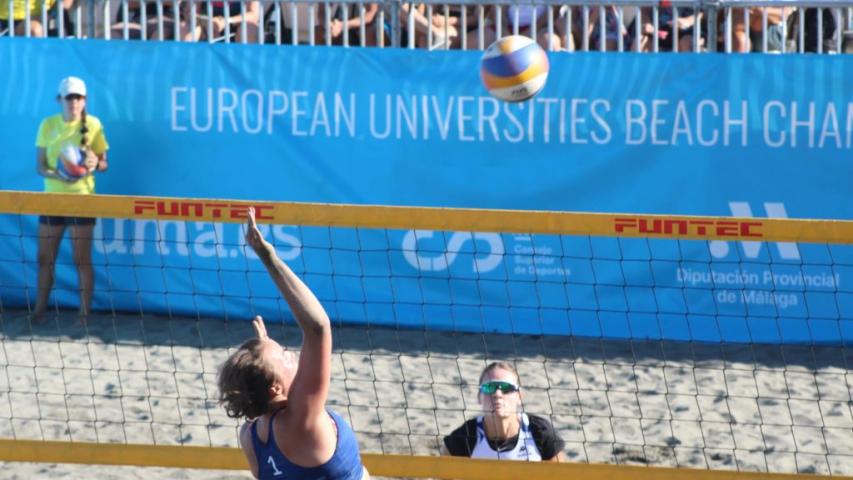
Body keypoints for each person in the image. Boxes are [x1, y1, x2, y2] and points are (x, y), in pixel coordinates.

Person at [218, 208, 369, 480]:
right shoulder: (302, 419)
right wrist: (268, 257)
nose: (290, 354)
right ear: (275, 387)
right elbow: (317, 328)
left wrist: (264, 354)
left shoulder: (250, 436)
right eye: (283, 355)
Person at [33, 76, 109, 325]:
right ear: (60, 100)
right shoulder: (48, 125)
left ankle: (83, 316)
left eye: (78, 97)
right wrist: (57, 174)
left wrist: (95, 163)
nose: (74, 102)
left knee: (81, 259)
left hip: (82, 200)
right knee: (45, 258)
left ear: (84, 100)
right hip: (52, 199)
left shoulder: (93, 124)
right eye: (69, 97)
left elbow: (104, 164)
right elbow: (41, 167)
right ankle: (39, 311)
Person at [442, 361, 566, 461]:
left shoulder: (539, 431)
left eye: (506, 388)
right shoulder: (466, 436)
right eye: (489, 387)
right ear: (479, 397)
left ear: (519, 397)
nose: (497, 394)